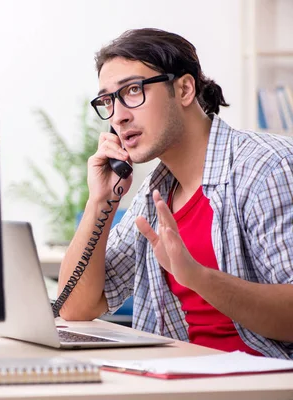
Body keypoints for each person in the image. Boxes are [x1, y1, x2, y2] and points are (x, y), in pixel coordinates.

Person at [56, 28, 293, 359]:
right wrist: (100, 201)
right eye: (108, 101)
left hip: (257, 384)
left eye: (133, 91)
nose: (119, 116)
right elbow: (75, 307)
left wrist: (197, 277)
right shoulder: (154, 192)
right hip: (173, 378)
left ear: (183, 89)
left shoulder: (266, 168)